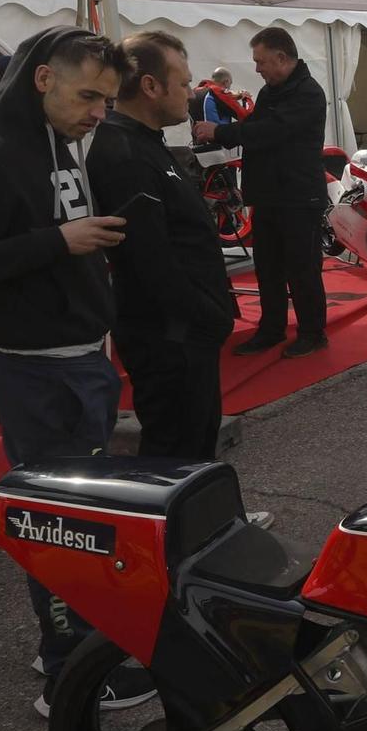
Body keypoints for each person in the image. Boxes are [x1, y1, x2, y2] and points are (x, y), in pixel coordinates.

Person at [0, 27, 152, 717]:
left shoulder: (60, 143)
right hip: (37, 374)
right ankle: (69, 676)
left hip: (79, 363)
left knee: (84, 516)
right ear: (43, 78)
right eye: (88, 95)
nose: (99, 111)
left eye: (107, 98)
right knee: (61, 523)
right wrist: (58, 242)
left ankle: (69, 645)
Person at [88, 31, 239, 460]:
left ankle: (203, 522)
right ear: (151, 86)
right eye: (186, 83)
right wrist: (208, 317)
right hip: (170, 337)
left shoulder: (145, 143)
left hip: (184, 332)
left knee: (197, 438)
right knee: (175, 449)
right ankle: (175, 526)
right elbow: (149, 261)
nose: (192, 94)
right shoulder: (123, 152)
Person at [193, 28, 328, 359]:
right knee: (268, 268)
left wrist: (220, 132)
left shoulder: (309, 93)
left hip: (298, 197)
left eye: (260, 61)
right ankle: (271, 329)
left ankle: (312, 333)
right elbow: (256, 128)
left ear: (282, 58)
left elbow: (270, 131)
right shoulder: (271, 91)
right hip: (268, 196)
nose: (256, 69)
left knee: (302, 268)